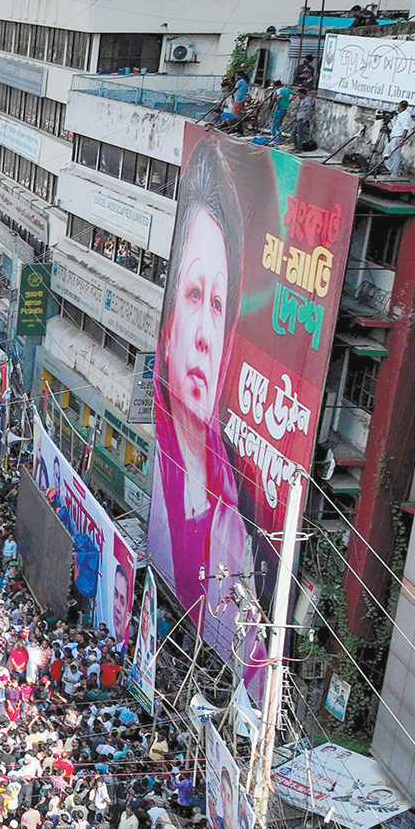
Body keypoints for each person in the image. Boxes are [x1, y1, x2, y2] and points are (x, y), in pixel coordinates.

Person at [148, 136, 265, 695]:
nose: (202, 335)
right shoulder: (161, 498)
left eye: (218, 305)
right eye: (193, 294)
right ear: (168, 324)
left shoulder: (241, 540)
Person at [384, 100, 415, 177]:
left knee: (395, 156)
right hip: (393, 137)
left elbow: (405, 129)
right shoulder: (400, 115)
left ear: (401, 106)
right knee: (385, 154)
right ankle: (393, 170)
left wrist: (402, 139)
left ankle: (394, 174)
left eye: (398, 105)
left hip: (398, 137)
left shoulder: (405, 116)